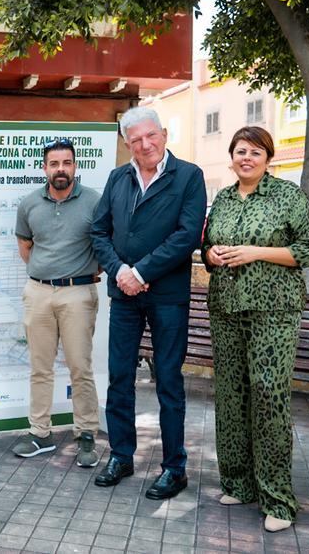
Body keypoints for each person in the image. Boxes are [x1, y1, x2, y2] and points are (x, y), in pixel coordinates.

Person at [202, 126, 309, 533]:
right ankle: (239, 482)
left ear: (268, 158)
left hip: (273, 311)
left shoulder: (288, 197)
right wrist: (212, 255)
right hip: (227, 309)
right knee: (231, 395)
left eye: (254, 152)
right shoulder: (223, 199)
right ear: (231, 157)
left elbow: (308, 249)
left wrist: (258, 253)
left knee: (269, 396)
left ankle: (278, 500)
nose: (246, 158)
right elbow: (207, 247)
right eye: (239, 151)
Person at [91, 107, 205, 500]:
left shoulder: (189, 176)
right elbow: (99, 231)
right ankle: (122, 455)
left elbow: (187, 235)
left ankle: (175, 467)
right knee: (120, 377)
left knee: (169, 382)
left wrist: (140, 272)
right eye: (136, 139)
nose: (145, 145)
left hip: (167, 297)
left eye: (150, 136)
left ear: (164, 134)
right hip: (123, 295)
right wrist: (120, 270)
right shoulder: (117, 177)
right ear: (127, 144)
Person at [11, 137, 103, 468]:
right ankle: (40, 433)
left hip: (78, 293)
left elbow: (105, 244)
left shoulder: (94, 201)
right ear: (45, 168)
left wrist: (87, 272)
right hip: (38, 293)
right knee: (40, 367)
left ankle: (87, 434)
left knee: (80, 366)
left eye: (66, 163)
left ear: (75, 166)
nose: (60, 169)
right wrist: (44, 275)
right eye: (54, 163)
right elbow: (26, 245)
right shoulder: (29, 203)